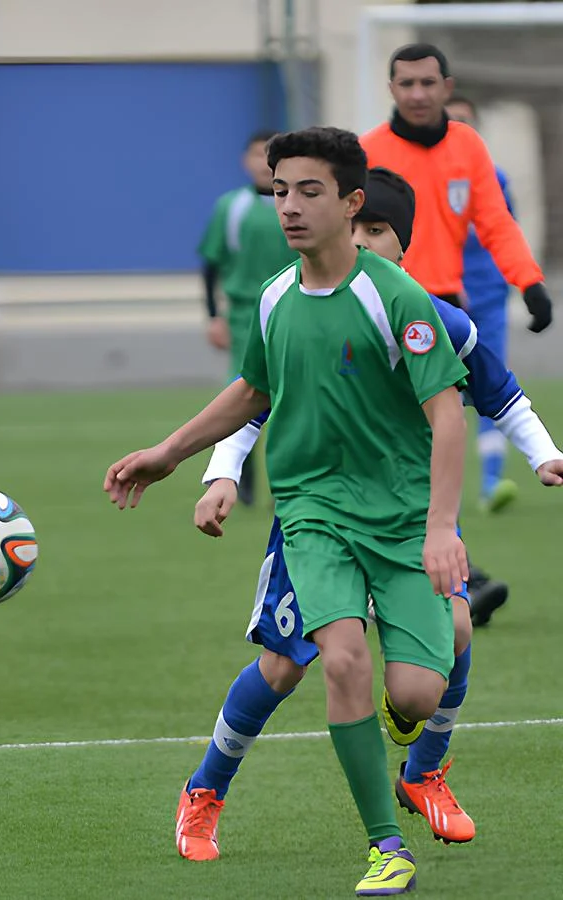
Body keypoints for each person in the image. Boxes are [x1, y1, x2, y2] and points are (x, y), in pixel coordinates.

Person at [105, 127, 469, 897]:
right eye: (281, 192)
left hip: (402, 520)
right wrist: (175, 455)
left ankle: (410, 742)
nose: (292, 208)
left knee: (414, 696)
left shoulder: (394, 297)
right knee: (336, 659)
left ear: (351, 201)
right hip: (314, 516)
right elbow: (251, 392)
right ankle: (384, 846)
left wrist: (441, 528)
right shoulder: (273, 299)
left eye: (310, 191)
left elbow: (448, 413)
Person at [172, 166, 563, 865]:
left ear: (402, 244)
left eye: (375, 230)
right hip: (319, 512)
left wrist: (543, 454)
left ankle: (423, 772)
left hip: (411, 509)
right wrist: (222, 473)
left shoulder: (431, 319)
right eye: (355, 228)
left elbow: (498, 393)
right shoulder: (296, 303)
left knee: (458, 629)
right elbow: (256, 396)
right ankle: (205, 789)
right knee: (285, 668)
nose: (360, 240)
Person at [361, 44, 552, 336]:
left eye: (427, 83)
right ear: (392, 89)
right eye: (407, 83)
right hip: (384, 299)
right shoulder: (368, 151)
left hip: (446, 301)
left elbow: (496, 222)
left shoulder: (467, 145)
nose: (417, 94)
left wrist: (529, 281)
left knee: (471, 381)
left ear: (446, 87)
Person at [197, 130, 297, 505]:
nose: (262, 162)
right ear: (246, 161)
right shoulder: (231, 207)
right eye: (257, 154)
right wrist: (213, 316)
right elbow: (211, 263)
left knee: (293, 398)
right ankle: (243, 485)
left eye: (269, 154)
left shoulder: (301, 206)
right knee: (241, 396)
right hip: (243, 317)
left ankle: (286, 485)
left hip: (294, 311)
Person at [442, 96, 520, 513]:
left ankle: (491, 482)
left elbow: (507, 232)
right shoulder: (427, 174)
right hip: (440, 294)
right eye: (451, 120)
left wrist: (519, 280)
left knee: (492, 381)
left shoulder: (495, 177)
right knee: (439, 390)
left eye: (466, 121)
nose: (458, 127)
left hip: (488, 294)